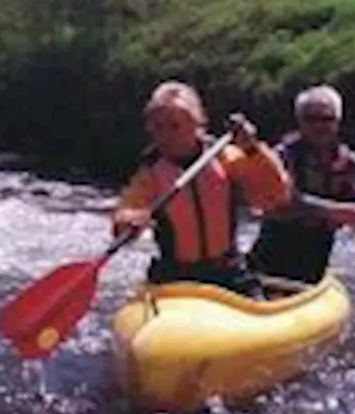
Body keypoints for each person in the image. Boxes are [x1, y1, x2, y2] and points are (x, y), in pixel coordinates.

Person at [111, 80, 293, 298]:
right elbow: (129, 207)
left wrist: (253, 149)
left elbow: (274, 195)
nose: (166, 136)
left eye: (174, 126)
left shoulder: (226, 158)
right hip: (174, 276)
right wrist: (128, 220)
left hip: (227, 272)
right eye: (158, 127)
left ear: (198, 124)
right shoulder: (150, 173)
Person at [247, 84, 355, 305]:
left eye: (326, 118)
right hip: (269, 263)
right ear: (300, 121)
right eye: (311, 119)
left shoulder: (351, 167)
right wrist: (334, 211)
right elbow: (278, 202)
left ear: (337, 121)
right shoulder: (281, 158)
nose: (319, 125)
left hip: (310, 270)